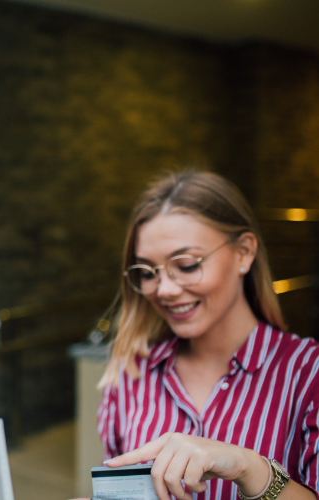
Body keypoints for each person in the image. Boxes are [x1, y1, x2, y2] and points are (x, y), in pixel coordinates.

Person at [94, 171, 319, 500]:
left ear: (243, 252)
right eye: (146, 272)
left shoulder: (308, 373)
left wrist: (247, 467)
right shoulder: (131, 374)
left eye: (186, 265)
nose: (165, 290)